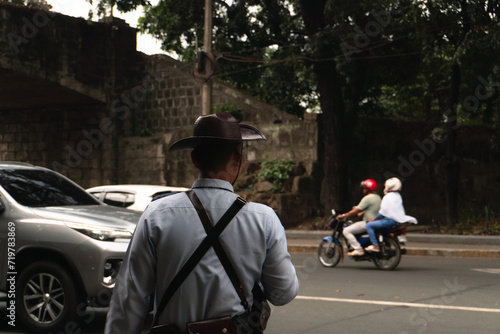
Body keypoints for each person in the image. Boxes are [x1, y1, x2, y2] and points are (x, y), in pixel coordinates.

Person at [104, 112, 299, 334]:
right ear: (238, 160)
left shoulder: (156, 215)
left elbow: (127, 302)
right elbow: (283, 293)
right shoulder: (264, 219)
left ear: (194, 159)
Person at [365, 177, 417, 252]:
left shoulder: (387, 197)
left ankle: (375, 246)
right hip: (397, 221)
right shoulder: (398, 196)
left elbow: (382, 213)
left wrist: (373, 219)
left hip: (389, 221)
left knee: (369, 225)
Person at [338, 179, 381, 256]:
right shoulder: (378, 197)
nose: (363, 190)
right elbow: (372, 208)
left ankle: (358, 249)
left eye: (364, 188)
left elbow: (355, 211)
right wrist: (363, 212)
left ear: (368, 189)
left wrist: (343, 215)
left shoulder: (367, 198)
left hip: (368, 222)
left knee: (346, 231)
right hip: (377, 221)